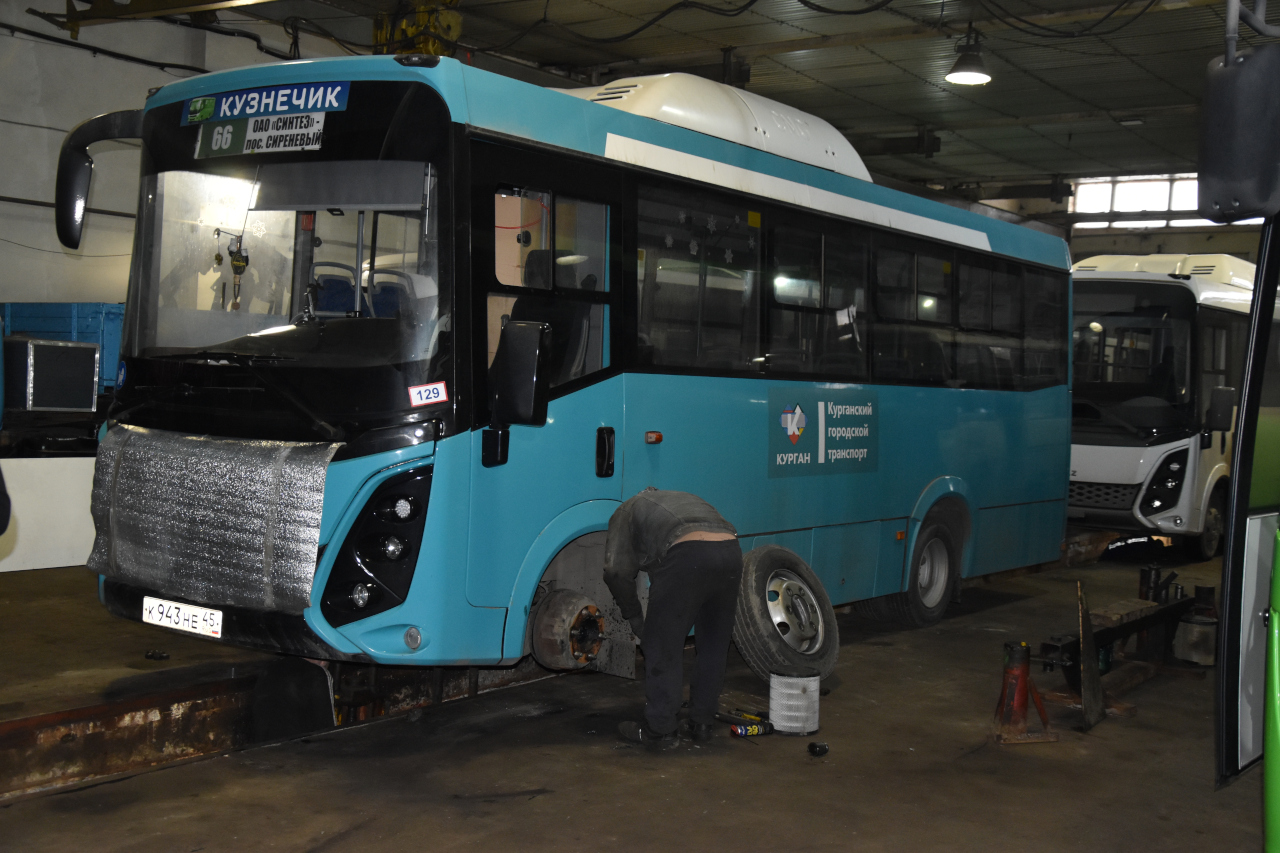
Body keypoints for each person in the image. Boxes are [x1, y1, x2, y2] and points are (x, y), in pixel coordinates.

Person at [603, 487, 743, 749]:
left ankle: (661, 730)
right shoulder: (677, 498)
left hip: (688, 553)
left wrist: (635, 618)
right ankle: (702, 722)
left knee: (662, 646)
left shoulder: (626, 510)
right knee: (714, 644)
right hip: (731, 551)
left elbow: (615, 572)